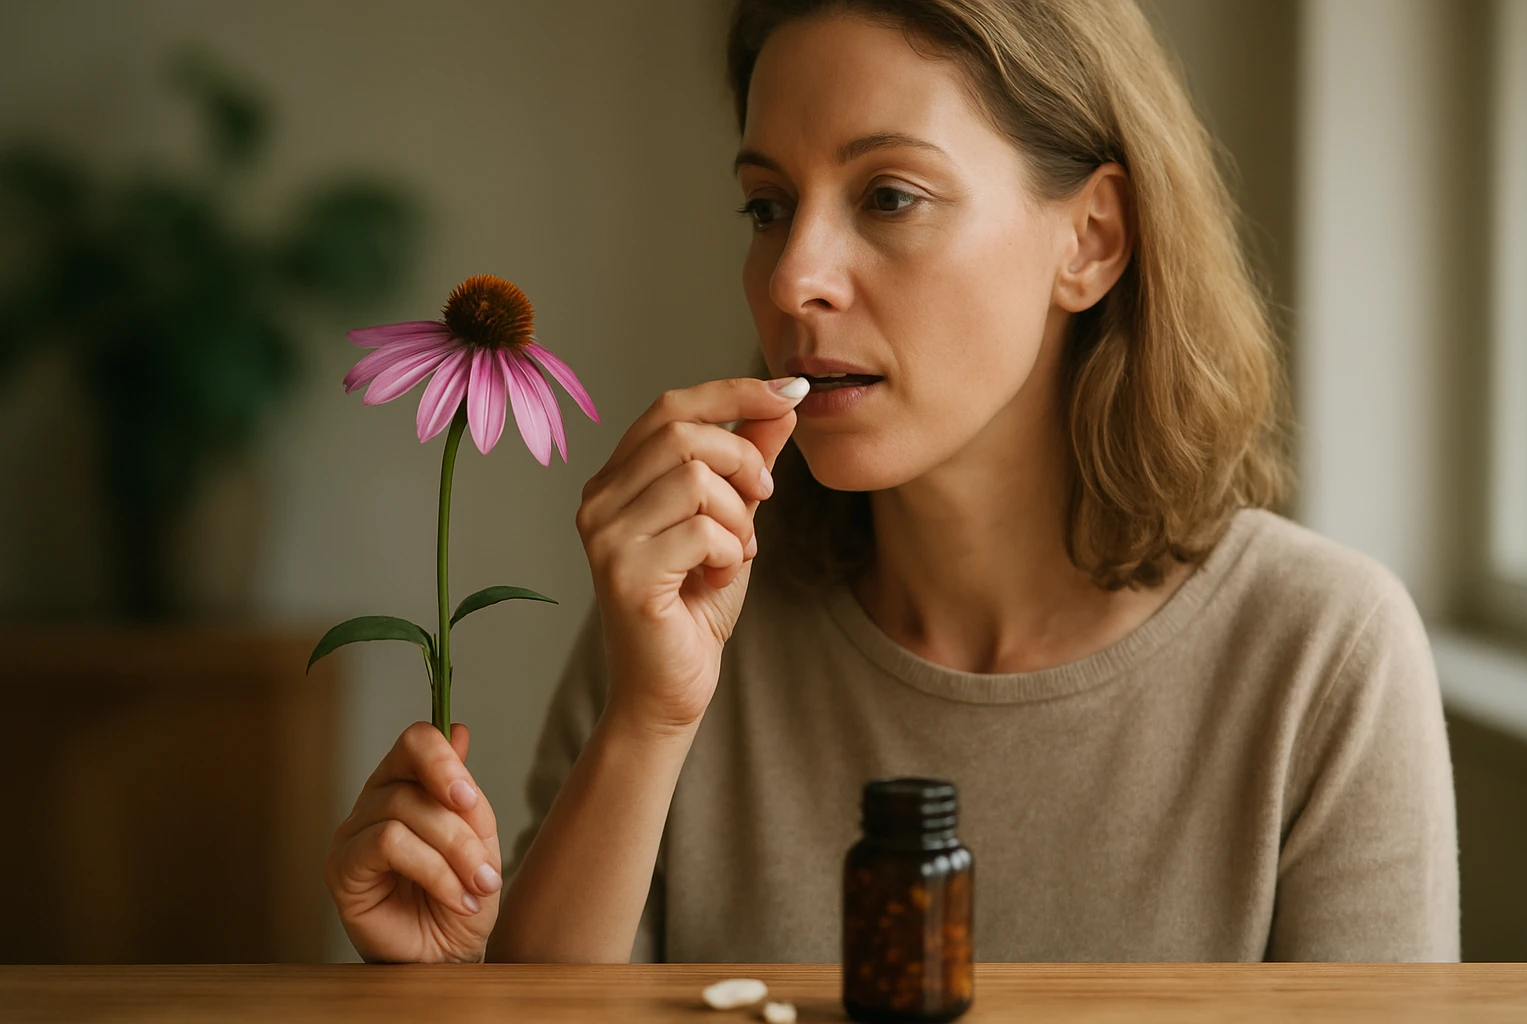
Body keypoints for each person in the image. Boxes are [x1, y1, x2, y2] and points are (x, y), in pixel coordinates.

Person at [323, 0, 1459, 964]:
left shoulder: (1325, 658)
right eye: (768, 206)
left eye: (889, 196)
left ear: (1093, 240)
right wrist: (644, 727)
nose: (795, 278)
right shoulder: (682, 630)